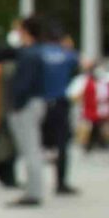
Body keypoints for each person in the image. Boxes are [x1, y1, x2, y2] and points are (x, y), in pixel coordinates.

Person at [4, 17, 50, 208]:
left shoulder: (29, 55)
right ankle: (33, 189)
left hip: (27, 105)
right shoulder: (37, 52)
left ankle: (33, 192)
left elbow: (24, 83)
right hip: (35, 103)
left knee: (30, 149)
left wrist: (16, 105)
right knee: (32, 148)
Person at [37, 19, 82, 194]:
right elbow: (84, 64)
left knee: (38, 144)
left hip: (41, 103)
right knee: (62, 144)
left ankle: (35, 181)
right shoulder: (67, 54)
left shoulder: (39, 53)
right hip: (61, 103)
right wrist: (69, 47)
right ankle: (61, 182)